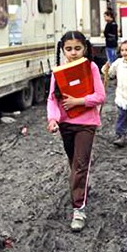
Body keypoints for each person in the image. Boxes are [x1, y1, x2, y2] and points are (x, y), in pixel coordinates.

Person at [46, 31, 106, 232]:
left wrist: (78, 101)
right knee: (74, 163)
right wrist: (53, 118)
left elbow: (100, 96)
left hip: (86, 124)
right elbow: (52, 99)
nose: (73, 53)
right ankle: (81, 187)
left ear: (85, 48)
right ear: (63, 50)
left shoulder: (91, 67)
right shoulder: (59, 71)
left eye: (78, 48)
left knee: (80, 165)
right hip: (66, 125)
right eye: (69, 49)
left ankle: (78, 209)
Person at [102, 40, 127, 147]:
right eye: (122, 50)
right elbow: (111, 73)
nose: (124, 53)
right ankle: (121, 135)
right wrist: (106, 69)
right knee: (122, 115)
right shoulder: (118, 62)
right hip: (121, 94)